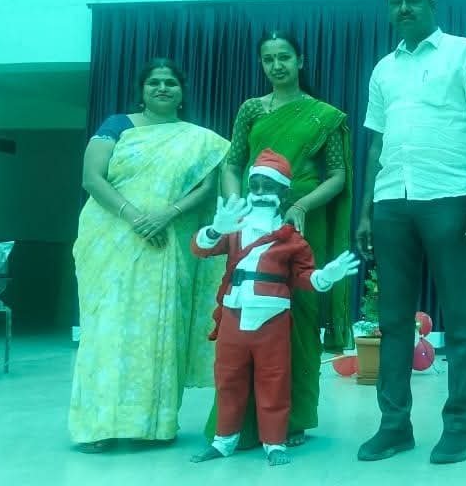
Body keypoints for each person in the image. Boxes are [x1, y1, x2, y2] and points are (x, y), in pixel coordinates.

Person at [356, 0, 466, 465]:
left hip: (450, 198)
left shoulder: (465, 53)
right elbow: (375, 145)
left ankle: (460, 427)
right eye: (395, 1)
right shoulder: (383, 70)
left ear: (431, 4)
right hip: (391, 202)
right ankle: (394, 426)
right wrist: (366, 212)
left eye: (412, 0)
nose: (403, 8)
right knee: (393, 320)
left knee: (458, 318)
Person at [69, 58, 230, 453]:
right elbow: (92, 178)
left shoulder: (200, 140)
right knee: (107, 330)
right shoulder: (117, 125)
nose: (162, 88)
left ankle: (153, 424)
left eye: (170, 82)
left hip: (167, 244)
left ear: (182, 92)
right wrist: (136, 217)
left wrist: (166, 215)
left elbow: (207, 188)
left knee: (161, 328)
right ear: (142, 90)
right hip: (112, 240)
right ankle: (97, 427)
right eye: (154, 82)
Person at [203, 31, 353, 450]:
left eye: (284, 57)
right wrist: (236, 204)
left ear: (300, 60)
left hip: (300, 221)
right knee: (245, 308)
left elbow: (338, 176)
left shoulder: (324, 115)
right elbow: (232, 164)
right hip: (255, 219)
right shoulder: (251, 109)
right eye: (268, 59)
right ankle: (237, 425)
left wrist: (302, 205)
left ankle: (292, 419)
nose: (276, 65)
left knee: (298, 313)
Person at [190, 149, 360, 466]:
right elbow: (200, 249)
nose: (260, 193)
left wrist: (326, 276)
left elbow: (305, 277)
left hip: (272, 319)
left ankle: (274, 443)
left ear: (282, 192)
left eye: (268, 186)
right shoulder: (233, 229)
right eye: (254, 186)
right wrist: (215, 229)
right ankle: (223, 441)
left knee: (274, 380)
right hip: (234, 315)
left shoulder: (292, 239)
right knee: (228, 379)